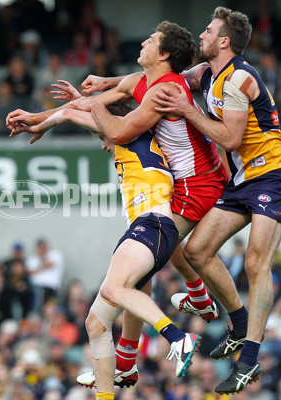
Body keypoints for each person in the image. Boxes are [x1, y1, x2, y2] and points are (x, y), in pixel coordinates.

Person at [7, 20, 235, 388]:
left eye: (151, 40)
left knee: (124, 285)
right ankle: (126, 363)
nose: (142, 40)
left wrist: (86, 112)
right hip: (156, 215)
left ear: (163, 54)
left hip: (187, 194)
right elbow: (90, 106)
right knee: (110, 310)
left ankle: (184, 328)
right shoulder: (141, 85)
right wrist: (41, 118)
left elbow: (112, 127)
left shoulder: (153, 108)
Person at [147, 7, 281, 393]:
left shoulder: (241, 79)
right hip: (242, 180)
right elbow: (158, 80)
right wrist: (108, 84)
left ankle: (249, 360)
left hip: (273, 175)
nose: (201, 35)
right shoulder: (206, 74)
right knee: (196, 251)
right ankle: (238, 320)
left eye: (209, 31)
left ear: (224, 41)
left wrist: (185, 109)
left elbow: (230, 139)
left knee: (255, 263)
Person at [15, 101, 201, 398]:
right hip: (155, 231)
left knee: (113, 290)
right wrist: (86, 101)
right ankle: (114, 380)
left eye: (102, 136)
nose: (103, 144)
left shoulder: (127, 134)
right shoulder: (138, 139)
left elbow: (72, 115)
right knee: (97, 323)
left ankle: (177, 338)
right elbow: (94, 116)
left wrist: (40, 122)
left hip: (151, 226)